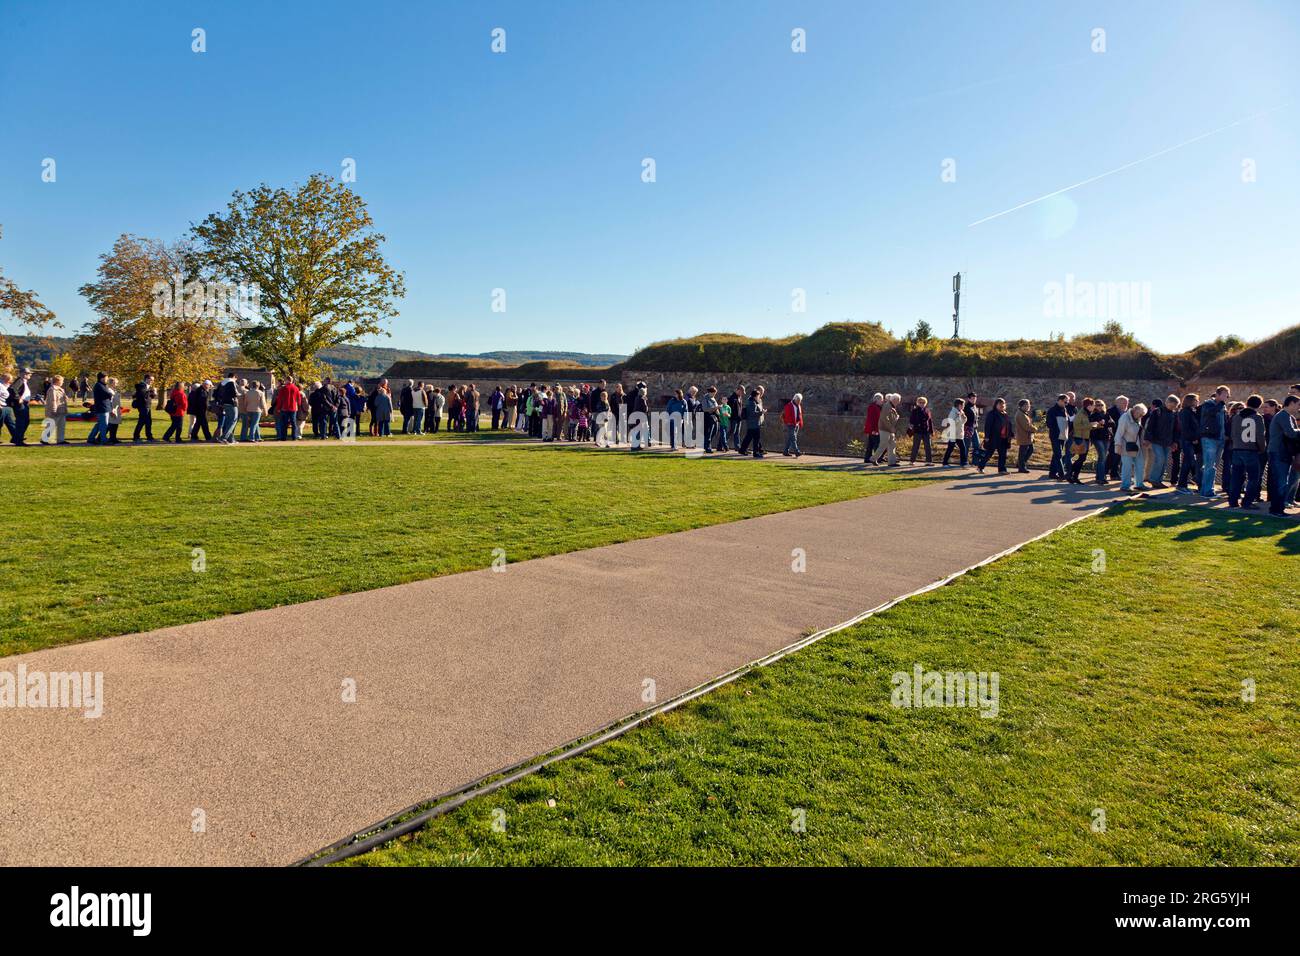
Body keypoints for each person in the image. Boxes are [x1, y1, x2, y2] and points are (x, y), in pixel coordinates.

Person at [1227, 395, 1267, 509]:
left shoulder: (1236, 417)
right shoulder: (1257, 417)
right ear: (1258, 405)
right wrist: (1262, 449)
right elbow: (1260, 436)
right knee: (1253, 478)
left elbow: (1233, 434)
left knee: (1236, 477)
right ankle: (1247, 502)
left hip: (1237, 449)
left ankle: (1233, 501)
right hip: (1251, 450)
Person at [1267, 396, 1299, 516]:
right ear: (1291, 403)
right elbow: (1290, 433)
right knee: (1280, 483)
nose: (1298, 407)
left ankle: (1276, 508)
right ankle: (1277, 510)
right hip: (1278, 452)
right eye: (1298, 404)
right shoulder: (1283, 416)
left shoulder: (1288, 416)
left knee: (1281, 482)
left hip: (1282, 452)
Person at [1198, 386, 1230, 498]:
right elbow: (1211, 413)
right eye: (1225, 394)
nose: (1227, 397)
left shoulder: (1222, 407)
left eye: (1227, 395)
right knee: (1209, 465)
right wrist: (1221, 404)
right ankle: (1207, 491)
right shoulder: (1208, 404)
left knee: (1213, 466)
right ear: (1218, 394)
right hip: (1209, 438)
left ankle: (1207, 489)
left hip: (1220, 439)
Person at [1143, 394, 1178, 488]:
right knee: (1160, 459)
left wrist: (1174, 442)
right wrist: (1147, 439)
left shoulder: (1174, 414)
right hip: (1156, 440)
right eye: (1171, 406)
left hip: (1167, 441)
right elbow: (1150, 426)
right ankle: (1154, 479)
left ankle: (1159, 480)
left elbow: (1175, 429)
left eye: (1174, 407)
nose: (1172, 408)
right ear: (1167, 402)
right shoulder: (1157, 412)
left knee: (1164, 461)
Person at [1115, 402, 1147, 493]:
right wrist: (1118, 445)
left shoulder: (1137, 418)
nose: (1141, 416)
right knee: (1127, 466)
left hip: (1136, 445)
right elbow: (1119, 432)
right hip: (1125, 445)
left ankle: (1139, 484)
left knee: (1140, 465)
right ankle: (1125, 486)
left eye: (1142, 415)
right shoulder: (1124, 418)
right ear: (1135, 410)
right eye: (1140, 414)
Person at [1174, 393, 1201, 493]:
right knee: (1188, 462)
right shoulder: (1185, 412)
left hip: (1190, 440)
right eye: (1196, 400)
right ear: (1191, 401)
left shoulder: (1191, 411)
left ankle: (1186, 482)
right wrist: (1193, 438)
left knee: (1188, 462)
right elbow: (1185, 428)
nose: (1198, 402)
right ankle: (1182, 484)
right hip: (1187, 440)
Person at [978, 398, 1011, 474]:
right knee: (989, 453)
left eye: (1003, 404)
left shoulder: (1005, 414)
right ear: (996, 405)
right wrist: (987, 437)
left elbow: (1008, 425)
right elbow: (988, 426)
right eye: (1000, 404)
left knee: (1003, 454)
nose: (1002, 405)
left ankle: (1002, 469)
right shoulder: (992, 414)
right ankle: (980, 467)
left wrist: (1011, 433)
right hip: (994, 437)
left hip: (1004, 438)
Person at [1066, 397, 1094, 483]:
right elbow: (1077, 426)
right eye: (1093, 405)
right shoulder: (1081, 413)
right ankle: (1070, 475)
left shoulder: (1087, 413)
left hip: (1085, 438)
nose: (1094, 407)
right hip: (1080, 438)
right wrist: (1091, 425)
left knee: (1082, 458)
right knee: (1081, 458)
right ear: (1088, 406)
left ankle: (1073, 476)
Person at [1045, 393, 1070, 480]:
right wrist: (1058, 427)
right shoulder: (1052, 410)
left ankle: (1052, 473)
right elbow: (1049, 424)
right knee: (1058, 454)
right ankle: (1061, 474)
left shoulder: (1065, 410)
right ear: (1059, 400)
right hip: (1055, 435)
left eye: (1067, 402)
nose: (1066, 404)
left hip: (1063, 435)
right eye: (1065, 402)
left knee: (1056, 455)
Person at [874, 393, 900, 467]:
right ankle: (873, 459)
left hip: (889, 429)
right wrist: (890, 427)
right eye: (898, 400)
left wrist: (896, 417)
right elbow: (884, 418)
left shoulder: (891, 406)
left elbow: (890, 418)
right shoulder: (887, 406)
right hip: (885, 429)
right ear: (894, 400)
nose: (899, 402)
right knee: (883, 445)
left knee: (892, 445)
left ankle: (892, 462)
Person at [1089, 399, 1111, 484]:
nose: (1100, 406)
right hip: (1097, 438)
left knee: (1103, 457)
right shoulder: (1093, 415)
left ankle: (1099, 476)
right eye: (1098, 405)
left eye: (1101, 405)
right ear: (1095, 406)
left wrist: (1105, 423)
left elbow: (1113, 424)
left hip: (1106, 438)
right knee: (1102, 457)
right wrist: (1099, 423)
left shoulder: (1106, 414)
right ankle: (1101, 478)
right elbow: (1092, 426)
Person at [42, 375, 69, 444]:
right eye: (62, 381)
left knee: (61, 426)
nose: (63, 382)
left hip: (62, 410)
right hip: (56, 410)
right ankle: (45, 439)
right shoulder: (52, 390)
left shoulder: (61, 389)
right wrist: (54, 410)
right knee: (51, 425)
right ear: (57, 381)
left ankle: (60, 439)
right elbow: (53, 401)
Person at [87, 372, 113, 445]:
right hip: (102, 408)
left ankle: (91, 438)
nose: (107, 379)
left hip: (104, 407)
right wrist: (111, 394)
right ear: (102, 378)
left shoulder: (103, 385)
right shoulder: (99, 385)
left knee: (99, 425)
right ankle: (103, 440)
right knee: (104, 425)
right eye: (106, 377)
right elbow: (108, 394)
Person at [941, 398, 967, 466]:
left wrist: (964, 417)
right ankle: (945, 463)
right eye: (963, 405)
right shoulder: (952, 412)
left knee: (963, 448)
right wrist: (958, 417)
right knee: (950, 449)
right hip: (953, 434)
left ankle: (963, 463)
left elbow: (963, 422)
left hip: (959, 434)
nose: (964, 406)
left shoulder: (961, 411)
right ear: (959, 405)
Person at [907, 396, 933, 464]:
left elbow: (930, 421)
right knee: (916, 446)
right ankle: (912, 461)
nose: (922, 404)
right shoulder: (915, 411)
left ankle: (928, 461)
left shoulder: (927, 410)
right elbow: (911, 420)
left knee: (928, 446)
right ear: (918, 403)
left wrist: (931, 431)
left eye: (923, 402)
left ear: (926, 403)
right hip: (918, 431)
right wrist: (911, 428)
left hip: (926, 431)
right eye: (920, 402)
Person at [132, 374, 158, 443]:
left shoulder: (147, 386)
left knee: (148, 422)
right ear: (146, 379)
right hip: (143, 406)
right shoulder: (142, 385)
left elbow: (150, 396)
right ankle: (136, 437)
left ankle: (149, 436)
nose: (152, 381)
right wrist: (151, 391)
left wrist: (154, 393)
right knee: (142, 421)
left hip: (147, 406)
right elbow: (143, 395)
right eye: (151, 380)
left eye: (153, 380)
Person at [1014, 399, 1036, 472]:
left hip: (1026, 436)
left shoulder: (1024, 413)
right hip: (1023, 436)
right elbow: (1026, 426)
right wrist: (1035, 428)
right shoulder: (1020, 414)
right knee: (1023, 452)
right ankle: (1021, 467)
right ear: (1022, 406)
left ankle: (1020, 464)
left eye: (1029, 404)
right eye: (1027, 405)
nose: (1029, 406)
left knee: (1029, 450)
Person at [862, 392, 884, 464]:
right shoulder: (872, 407)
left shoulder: (877, 407)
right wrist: (874, 430)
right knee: (876, 444)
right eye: (881, 399)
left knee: (871, 444)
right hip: (874, 429)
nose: (882, 401)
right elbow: (871, 419)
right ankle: (875, 459)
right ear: (877, 399)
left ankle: (867, 458)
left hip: (875, 428)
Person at [782, 392, 804, 457]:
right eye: (798, 401)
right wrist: (790, 422)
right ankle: (797, 452)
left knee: (790, 438)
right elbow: (787, 416)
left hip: (796, 424)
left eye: (800, 401)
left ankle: (785, 451)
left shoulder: (799, 406)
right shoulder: (789, 405)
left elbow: (799, 415)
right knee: (793, 438)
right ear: (794, 399)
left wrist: (800, 423)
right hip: (790, 424)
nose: (799, 402)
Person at [700, 385, 721, 453]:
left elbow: (716, 408)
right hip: (708, 417)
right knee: (709, 433)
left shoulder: (713, 398)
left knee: (715, 431)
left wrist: (719, 414)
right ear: (710, 392)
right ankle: (707, 447)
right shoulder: (705, 398)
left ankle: (706, 445)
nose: (714, 394)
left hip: (714, 417)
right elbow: (705, 409)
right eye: (714, 393)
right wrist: (716, 408)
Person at [105, 376, 124, 443]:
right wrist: (110, 410)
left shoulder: (113, 390)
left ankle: (113, 438)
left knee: (115, 424)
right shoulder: (109, 390)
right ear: (112, 383)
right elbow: (109, 401)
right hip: (112, 409)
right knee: (111, 425)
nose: (116, 384)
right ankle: (104, 438)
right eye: (115, 383)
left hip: (116, 409)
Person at [0, 373, 15, 443]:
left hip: (6, 407)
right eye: (10, 380)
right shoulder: (0, 385)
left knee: (11, 422)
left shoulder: (4, 385)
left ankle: (16, 438)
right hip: (1, 407)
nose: (11, 381)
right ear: (6, 379)